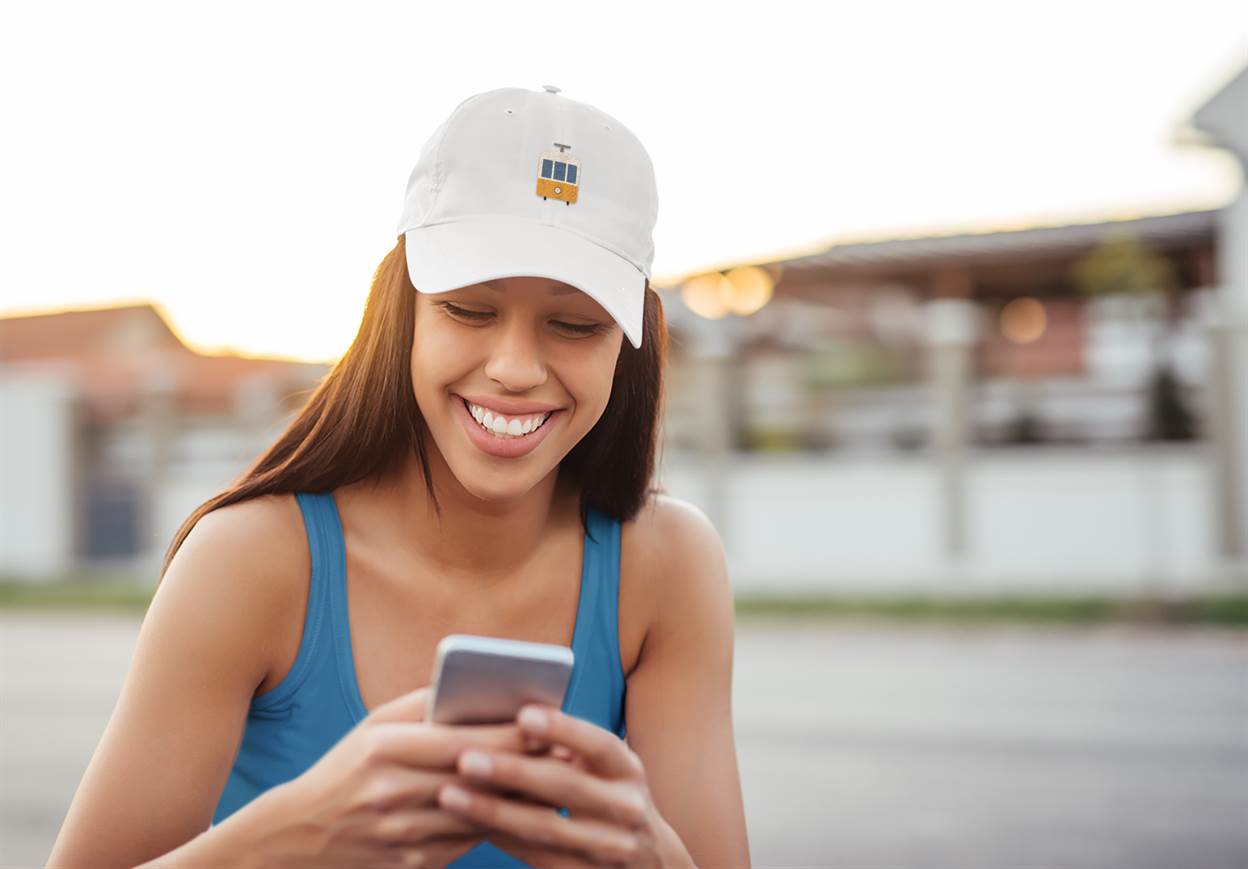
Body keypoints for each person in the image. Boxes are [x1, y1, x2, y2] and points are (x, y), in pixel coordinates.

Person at [46, 84, 750, 868]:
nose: (515, 368)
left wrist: (655, 855)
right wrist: (297, 833)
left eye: (575, 323)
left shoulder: (668, 564)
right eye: (469, 310)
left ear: (632, 343)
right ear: (399, 312)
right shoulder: (250, 559)